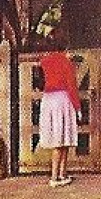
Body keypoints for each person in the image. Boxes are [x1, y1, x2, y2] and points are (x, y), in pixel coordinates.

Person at [36, 37, 81, 187]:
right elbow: (71, 86)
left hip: (48, 99)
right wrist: (77, 106)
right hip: (62, 99)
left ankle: (61, 174)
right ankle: (56, 176)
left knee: (58, 137)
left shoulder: (44, 61)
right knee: (63, 138)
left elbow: (40, 82)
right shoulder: (66, 62)